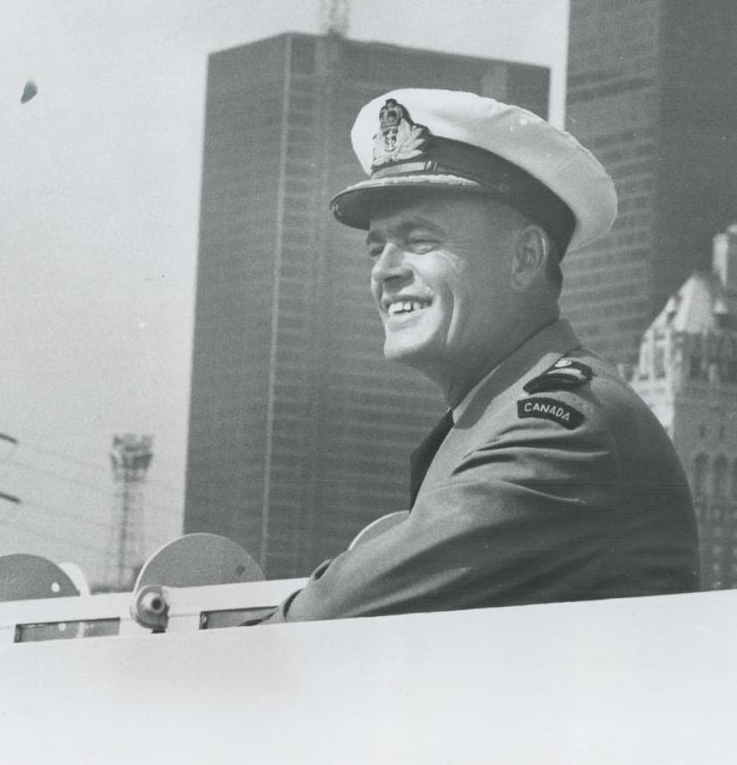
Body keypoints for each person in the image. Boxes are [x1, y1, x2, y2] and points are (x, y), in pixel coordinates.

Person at [261, 88, 699, 622]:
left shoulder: (564, 431)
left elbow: (328, 616)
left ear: (525, 258)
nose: (384, 270)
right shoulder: (493, 415)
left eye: (418, 239)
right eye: (376, 247)